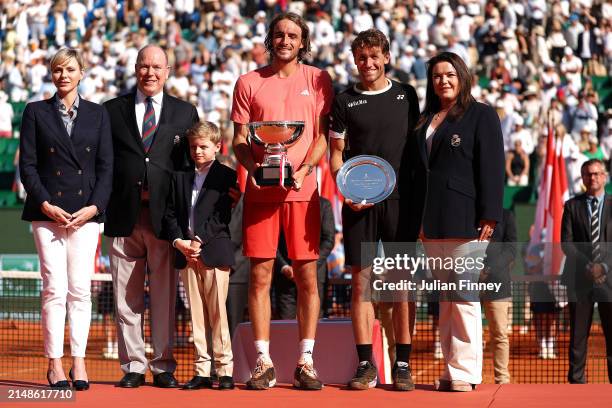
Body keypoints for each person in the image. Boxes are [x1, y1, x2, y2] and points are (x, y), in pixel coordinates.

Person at [231, 12, 333, 390]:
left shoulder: (319, 80)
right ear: (270, 40)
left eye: (292, 35)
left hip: (303, 193)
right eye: (279, 35)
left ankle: (306, 360)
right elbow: (241, 139)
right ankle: (263, 361)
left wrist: (305, 169)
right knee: (260, 275)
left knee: (307, 275)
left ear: (303, 41)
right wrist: (254, 168)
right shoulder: (247, 82)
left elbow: (322, 137)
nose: (285, 40)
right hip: (261, 194)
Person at [407, 51, 504, 392]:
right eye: (436, 76)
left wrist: (490, 214)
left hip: (467, 220)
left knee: (463, 296)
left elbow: (492, 168)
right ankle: (452, 369)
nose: (443, 80)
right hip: (430, 221)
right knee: (446, 300)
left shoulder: (481, 115)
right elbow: (419, 174)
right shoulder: (424, 119)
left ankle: (466, 371)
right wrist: (416, 219)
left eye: (449, 74)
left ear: (462, 76)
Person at [103, 44, 199, 389]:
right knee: (125, 299)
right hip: (122, 217)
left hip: (165, 221)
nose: (150, 73)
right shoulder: (111, 110)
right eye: (144, 66)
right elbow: (104, 163)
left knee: (163, 298)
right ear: (135, 68)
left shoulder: (185, 112)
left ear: (168, 71)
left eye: (157, 67)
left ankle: (162, 366)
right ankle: (132, 365)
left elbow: (190, 169)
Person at [329, 29, 420, 391]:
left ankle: (402, 364)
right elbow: (336, 155)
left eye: (373, 57)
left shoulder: (407, 95)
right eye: (361, 58)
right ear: (355, 60)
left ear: (386, 57)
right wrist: (344, 188)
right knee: (360, 286)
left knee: (401, 286)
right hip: (359, 202)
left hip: (400, 202)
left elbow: (418, 151)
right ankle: (366, 364)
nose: (367, 64)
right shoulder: (343, 101)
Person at [19, 47, 113, 390]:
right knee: (54, 289)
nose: (64, 75)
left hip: (85, 214)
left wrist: (93, 207)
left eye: (70, 69)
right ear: (51, 74)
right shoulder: (34, 112)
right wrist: (45, 204)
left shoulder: (97, 114)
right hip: (48, 216)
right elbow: (27, 165)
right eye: (58, 70)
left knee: (80, 291)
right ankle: (55, 364)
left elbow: (106, 167)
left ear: (82, 72)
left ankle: (79, 362)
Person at [163, 121, 237, 390]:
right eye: (194, 147)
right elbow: (170, 213)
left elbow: (222, 215)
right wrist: (180, 241)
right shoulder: (179, 176)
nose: (198, 151)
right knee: (196, 316)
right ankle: (202, 371)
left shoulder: (227, 176)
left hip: (213, 253)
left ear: (218, 147)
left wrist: (198, 240)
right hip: (187, 255)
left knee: (218, 315)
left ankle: (225, 371)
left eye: (204, 146)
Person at [561, 159, 612, 383]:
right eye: (588, 175)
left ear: (605, 176)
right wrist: (588, 266)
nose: (593, 178)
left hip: (610, 281)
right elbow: (567, 243)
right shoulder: (572, 206)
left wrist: (604, 267)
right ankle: (576, 386)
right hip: (580, 280)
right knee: (578, 337)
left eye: (597, 174)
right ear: (582, 178)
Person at [272, 196, 335, 319]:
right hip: (286, 278)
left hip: (314, 276)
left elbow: (328, 240)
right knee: (286, 327)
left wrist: (308, 267)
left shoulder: (323, 205)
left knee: (315, 324)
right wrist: (284, 266)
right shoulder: (280, 202)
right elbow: (273, 240)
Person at [480, 209, 516, 384]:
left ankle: (502, 379)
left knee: (499, 334)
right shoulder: (468, 212)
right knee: (468, 333)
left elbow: (511, 250)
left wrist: (488, 270)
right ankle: (470, 376)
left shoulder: (507, 216)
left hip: (498, 284)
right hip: (468, 282)